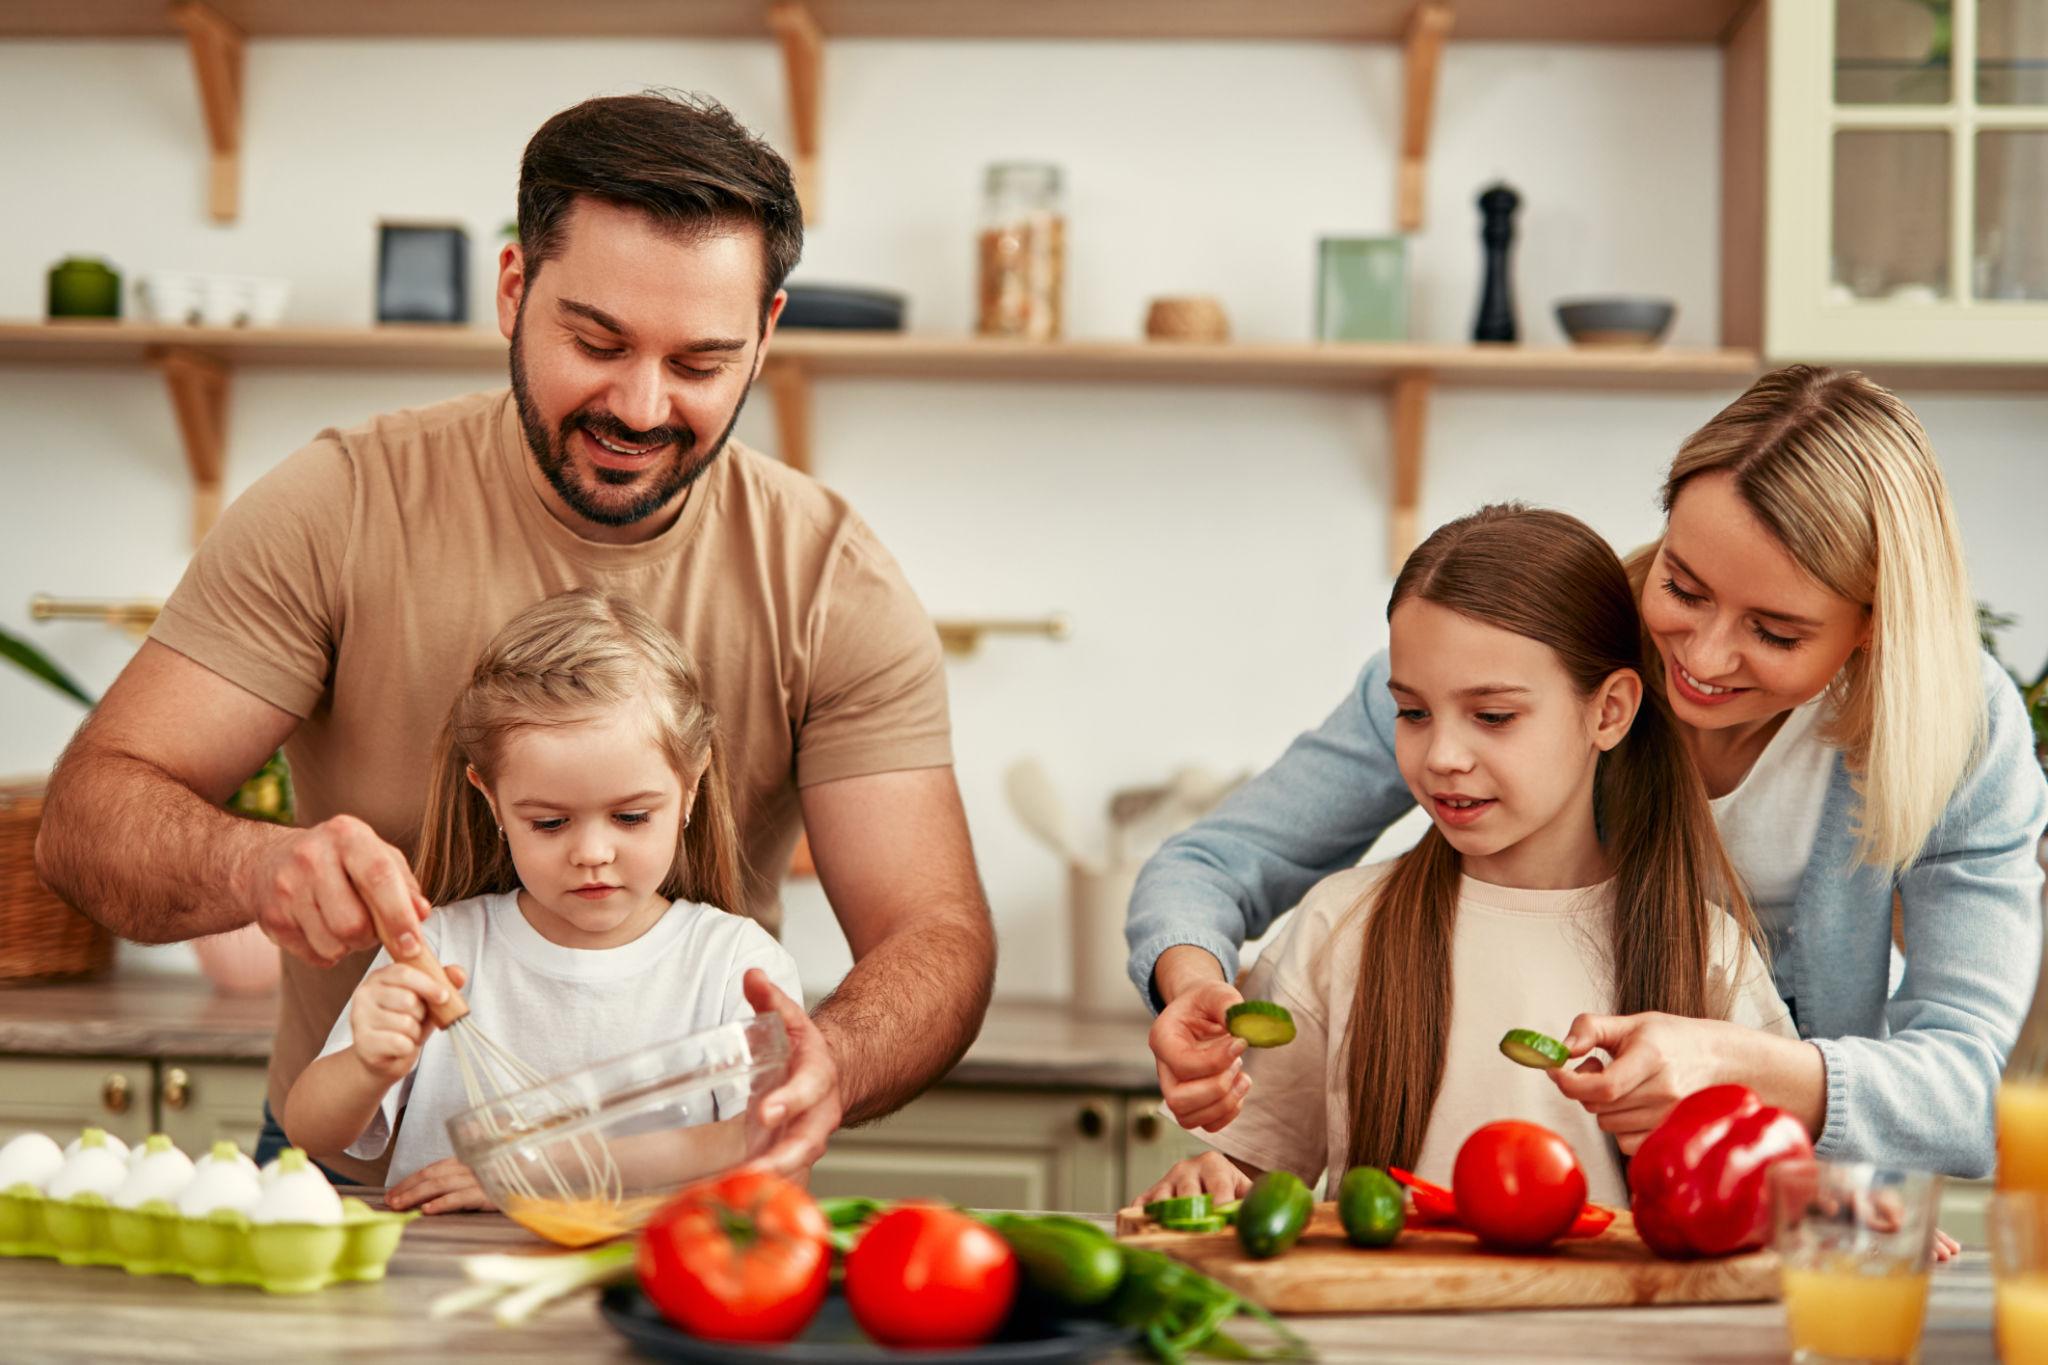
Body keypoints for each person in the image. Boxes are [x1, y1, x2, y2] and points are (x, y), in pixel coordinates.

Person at [36, 92, 996, 1187]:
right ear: (512, 290)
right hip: (357, 1188)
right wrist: (256, 866)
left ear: (767, 332)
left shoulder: (830, 580)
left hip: (675, 1202)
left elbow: (934, 933)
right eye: (596, 341)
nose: (640, 405)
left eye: (699, 364)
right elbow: (87, 820)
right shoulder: (337, 506)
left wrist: (834, 1059)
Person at [1131, 366, 2047, 1180]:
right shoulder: (1510, 661)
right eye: (1683, 587)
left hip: (1794, 1222)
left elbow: (1967, 1094)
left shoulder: (1955, 731)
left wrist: (1742, 1071)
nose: (1704, 658)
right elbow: (1214, 865)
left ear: (1874, 623)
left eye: (1775, 630)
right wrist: (1191, 988)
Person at [1140, 505, 1793, 1207]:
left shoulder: (1710, 954)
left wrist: (1822, 1205)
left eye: (1493, 716)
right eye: (1413, 712)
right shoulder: (1340, 926)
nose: (1442, 756)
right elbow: (1254, 1169)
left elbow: (1778, 1181)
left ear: (1608, 712)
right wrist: (1214, 1178)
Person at [284, 591, 802, 1213]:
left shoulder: (733, 965)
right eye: (550, 823)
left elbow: (767, 1144)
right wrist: (368, 1063)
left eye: (632, 816)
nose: (592, 853)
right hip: (443, 1288)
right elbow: (312, 1132)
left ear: (690, 787)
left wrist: (534, 1170)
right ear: (493, 800)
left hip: (650, 1285)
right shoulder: (444, 949)